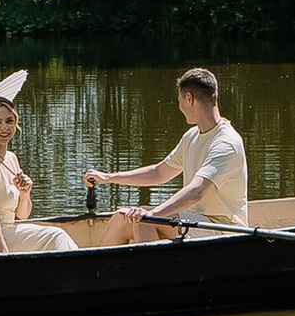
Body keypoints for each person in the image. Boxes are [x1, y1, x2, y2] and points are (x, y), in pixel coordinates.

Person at [83, 69, 249, 247]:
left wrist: (153, 214)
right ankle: (98, 272)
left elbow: (196, 192)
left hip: (224, 230)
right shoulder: (192, 136)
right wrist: (108, 178)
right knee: (122, 217)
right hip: (193, 222)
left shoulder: (226, 143)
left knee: (145, 219)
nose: (179, 107)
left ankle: (153, 273)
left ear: (189, 98)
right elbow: (159, 172)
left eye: (179, 101)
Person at [0, 93, 77, 258]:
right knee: (56, 236)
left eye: (9, 121)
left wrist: (24, 194)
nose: (4, 128)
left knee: (56, 237)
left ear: (16, 122)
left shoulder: (11, 158)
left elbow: (22, 214)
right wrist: (4, 255)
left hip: (8, 231)